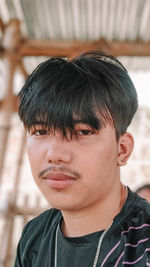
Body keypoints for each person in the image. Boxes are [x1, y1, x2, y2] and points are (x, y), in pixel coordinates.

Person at [14, 51, 150, 267]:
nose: (55, 154)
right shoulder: (34, 236)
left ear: (122, 150)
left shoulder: (144, 244)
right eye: (40, 131)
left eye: (83, 132)